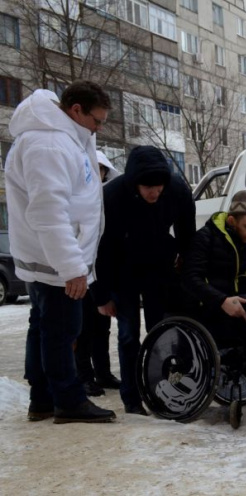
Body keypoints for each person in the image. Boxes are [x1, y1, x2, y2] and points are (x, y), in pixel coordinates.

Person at [4, 81, 116, 423]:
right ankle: (68, 401)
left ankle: (41, 399)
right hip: (56, 262)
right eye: (96, 120)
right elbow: (49, 212)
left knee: (43, 328)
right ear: (76, 110)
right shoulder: (49, 143)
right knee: (62, 332)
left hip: (49, 259)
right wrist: (72, 266)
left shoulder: (58, 136)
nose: (98, 128)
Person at [94, 145, 195, 415]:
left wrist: (188, 275)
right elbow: (100, 248)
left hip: (158, 268)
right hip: (122, 269)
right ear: (134, 183)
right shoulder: (111, 196)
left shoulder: (177, 191)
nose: (154, 192)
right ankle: (132, 399)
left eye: (158, 187)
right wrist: (102, 295)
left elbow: (188, 237)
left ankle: (161, 393)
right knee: (128, 336)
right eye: (148, 187)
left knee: (161, 333)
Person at [182, 190, 246, 387]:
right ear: (231, 221)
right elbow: (190, 278)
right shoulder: (205, 238)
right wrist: (221, 301)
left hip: (237, 303)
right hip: (207, 305)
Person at [75, 151, 122, 397]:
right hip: (81, 269)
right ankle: (84, 377)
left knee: (101, 326)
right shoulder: (79, 196)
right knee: (83, 329)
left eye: (102, 170)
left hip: (101, 270)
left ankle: (102, 373)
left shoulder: (107, 197)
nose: (98, 173)